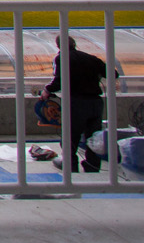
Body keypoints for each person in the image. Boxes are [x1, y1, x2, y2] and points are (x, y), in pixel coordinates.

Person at [40, 36, 109, 174]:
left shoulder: (62, 58)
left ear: (58, 46)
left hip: (77, 102)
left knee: (71, 138)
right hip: (95, 103)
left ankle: (71, 167)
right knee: (93, 138)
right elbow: (113, 74)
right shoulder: (91, 58)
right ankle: (93, 167)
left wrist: (47, 90)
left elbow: (59, 81)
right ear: (74, 44)